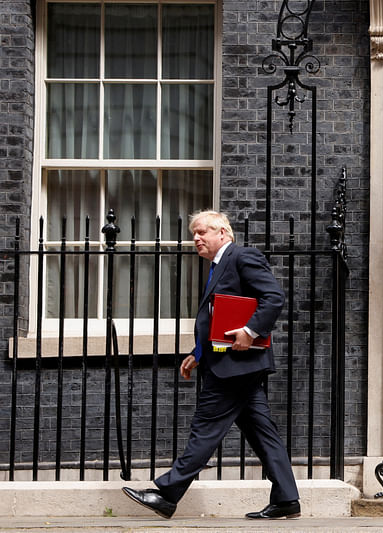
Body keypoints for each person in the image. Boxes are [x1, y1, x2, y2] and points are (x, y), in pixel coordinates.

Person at [122, 210, 300, 520]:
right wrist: (199, 353)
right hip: (230, 364)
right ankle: (286, 498)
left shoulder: (242, 257)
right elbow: (218, 319)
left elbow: (273, 297)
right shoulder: (219, 266)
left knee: (204, 429)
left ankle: (166, 494)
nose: (196, 238)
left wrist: (249, 331)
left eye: (203, 232)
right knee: (262, 433)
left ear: (223, 233)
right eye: (194, 234)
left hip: (234, 366)